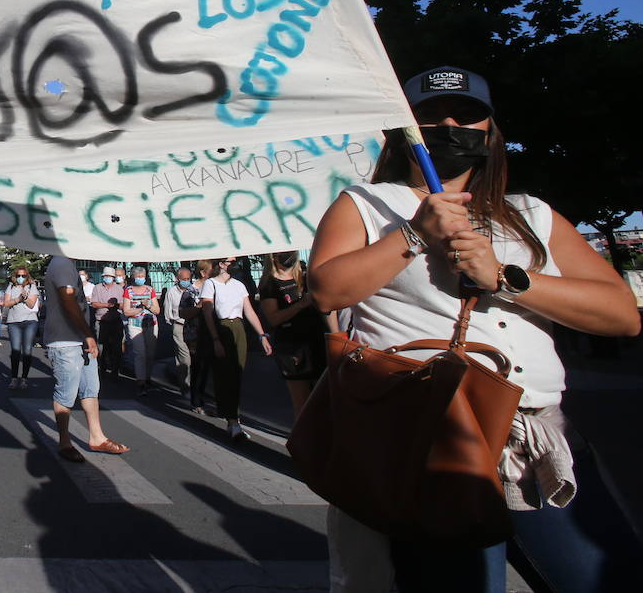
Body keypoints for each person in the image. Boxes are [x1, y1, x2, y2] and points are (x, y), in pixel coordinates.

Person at [308, 66, 642, 593]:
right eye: (430, 117)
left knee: (604, 577)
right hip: (432, 437)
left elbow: (621, 314)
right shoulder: (368, 205)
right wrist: (414, 235)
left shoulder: (531, 214)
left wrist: (507, 279)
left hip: (537, 438)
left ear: (490, 132)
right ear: (405, 131)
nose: (450, 125)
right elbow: (328, 290)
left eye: (466, 115)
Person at [42, 255, 130, 461]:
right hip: (65, 340)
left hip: (79, 339)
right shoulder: (62, 263)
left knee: (91, 388)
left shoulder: (68, 264)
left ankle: (97, 437)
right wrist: (87, 333)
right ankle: (64, 442)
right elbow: (67, 298)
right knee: (66, 393)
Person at [257, 251, 335, 421]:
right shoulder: (269, 284)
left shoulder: (306, 278)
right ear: (274, 256)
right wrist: (301, 305)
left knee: (325, 396)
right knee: (302, 402)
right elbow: (273, 318)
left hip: (316, 341)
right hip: (291, 346)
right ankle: (306, 441)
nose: (289, 255)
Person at [200, 256, 272, 441]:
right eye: (231, 261)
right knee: (224, 374)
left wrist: (262, 335)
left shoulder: (239, 285)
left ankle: (233, 417)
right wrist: (215, 338)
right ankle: (232, 420)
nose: (235, 264)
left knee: (237, 372)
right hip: (221, 327)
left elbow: (249, 310)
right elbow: (207, 312)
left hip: (238, 327)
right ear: (221, 263)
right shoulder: (211, 284)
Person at [162, 264, 205, 409]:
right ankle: (185, 386)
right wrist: (172, 324)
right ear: (177, 279)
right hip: (179, 325)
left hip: (193, 327)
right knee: (184, 358)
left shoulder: (194, 290)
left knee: (196, 358)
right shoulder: (171, 292)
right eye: (183, 279)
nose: (186, 281)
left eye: (188, 278)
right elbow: (167, 311)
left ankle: (196, 389)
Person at [122, 264, 161, 395]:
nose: (140, 278)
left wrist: (148, 304)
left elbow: (157, 310)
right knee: (140, 353)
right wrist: (139, 309)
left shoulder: (150, 290)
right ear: (133, 277)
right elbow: (126, 311)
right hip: (135, 324)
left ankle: (148, 378)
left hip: (151, 324)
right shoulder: (128, 290)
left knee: (150, 354)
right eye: (138, 276)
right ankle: (140, 381)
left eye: (142, 276)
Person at [2, 265, 40, 388]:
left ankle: (24, 378)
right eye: (18, 276)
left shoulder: (32, 287)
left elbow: (31, 304)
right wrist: (18, 299)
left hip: (30, 321)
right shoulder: (11, 286)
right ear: (15, 276)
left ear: (27, 276)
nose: (21, 278)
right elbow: (6, 303)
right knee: (15, 350)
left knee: (27, 350)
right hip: (14, 322)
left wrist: (26, 297)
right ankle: (14, 378)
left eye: (23, 276)